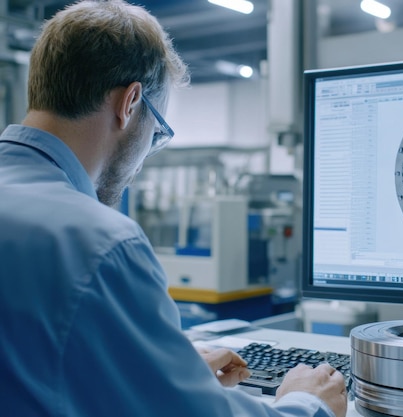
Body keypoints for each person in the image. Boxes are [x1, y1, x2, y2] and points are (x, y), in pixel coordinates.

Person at [0, 1, 348, 417]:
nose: (147, 154)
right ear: (130, 103)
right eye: (157, 130)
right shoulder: (103, 243)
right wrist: (308, 404)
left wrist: (153, 367)